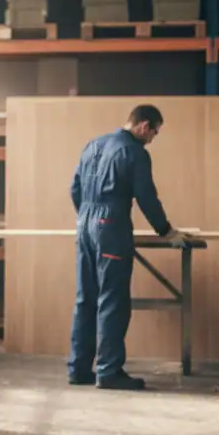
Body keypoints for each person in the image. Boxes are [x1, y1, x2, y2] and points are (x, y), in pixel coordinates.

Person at [68, 104, 188, 391]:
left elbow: (74, 188)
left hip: (84, 223)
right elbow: (146, 197)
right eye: (154, 133)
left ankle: (78, 368)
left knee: (86, 297)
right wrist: (167, 231)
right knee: (112, 299)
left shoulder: (93, 144)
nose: (152, 139)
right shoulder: (135, 153)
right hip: (110, 226)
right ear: (144, 126)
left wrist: (86, 217)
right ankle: (108, 371)